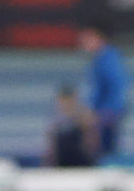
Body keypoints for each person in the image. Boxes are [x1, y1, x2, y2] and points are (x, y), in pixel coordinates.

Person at [78, 25, 128, 158]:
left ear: (98, 38)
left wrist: (99, 113)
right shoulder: (100, 59)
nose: (84, 44)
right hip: (106, 111)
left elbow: (115, 87)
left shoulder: (109, 59)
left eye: (87, 40)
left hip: (107, 112)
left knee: (104, 151)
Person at [46, 85, 96, 169]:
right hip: (62, 162)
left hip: (81, 162)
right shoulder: (55, 120)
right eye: (63, 100)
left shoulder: (84, 116)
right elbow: (52, 147)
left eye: (68, 100)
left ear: (74, 99)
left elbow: (91, 142)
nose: (66, 104)